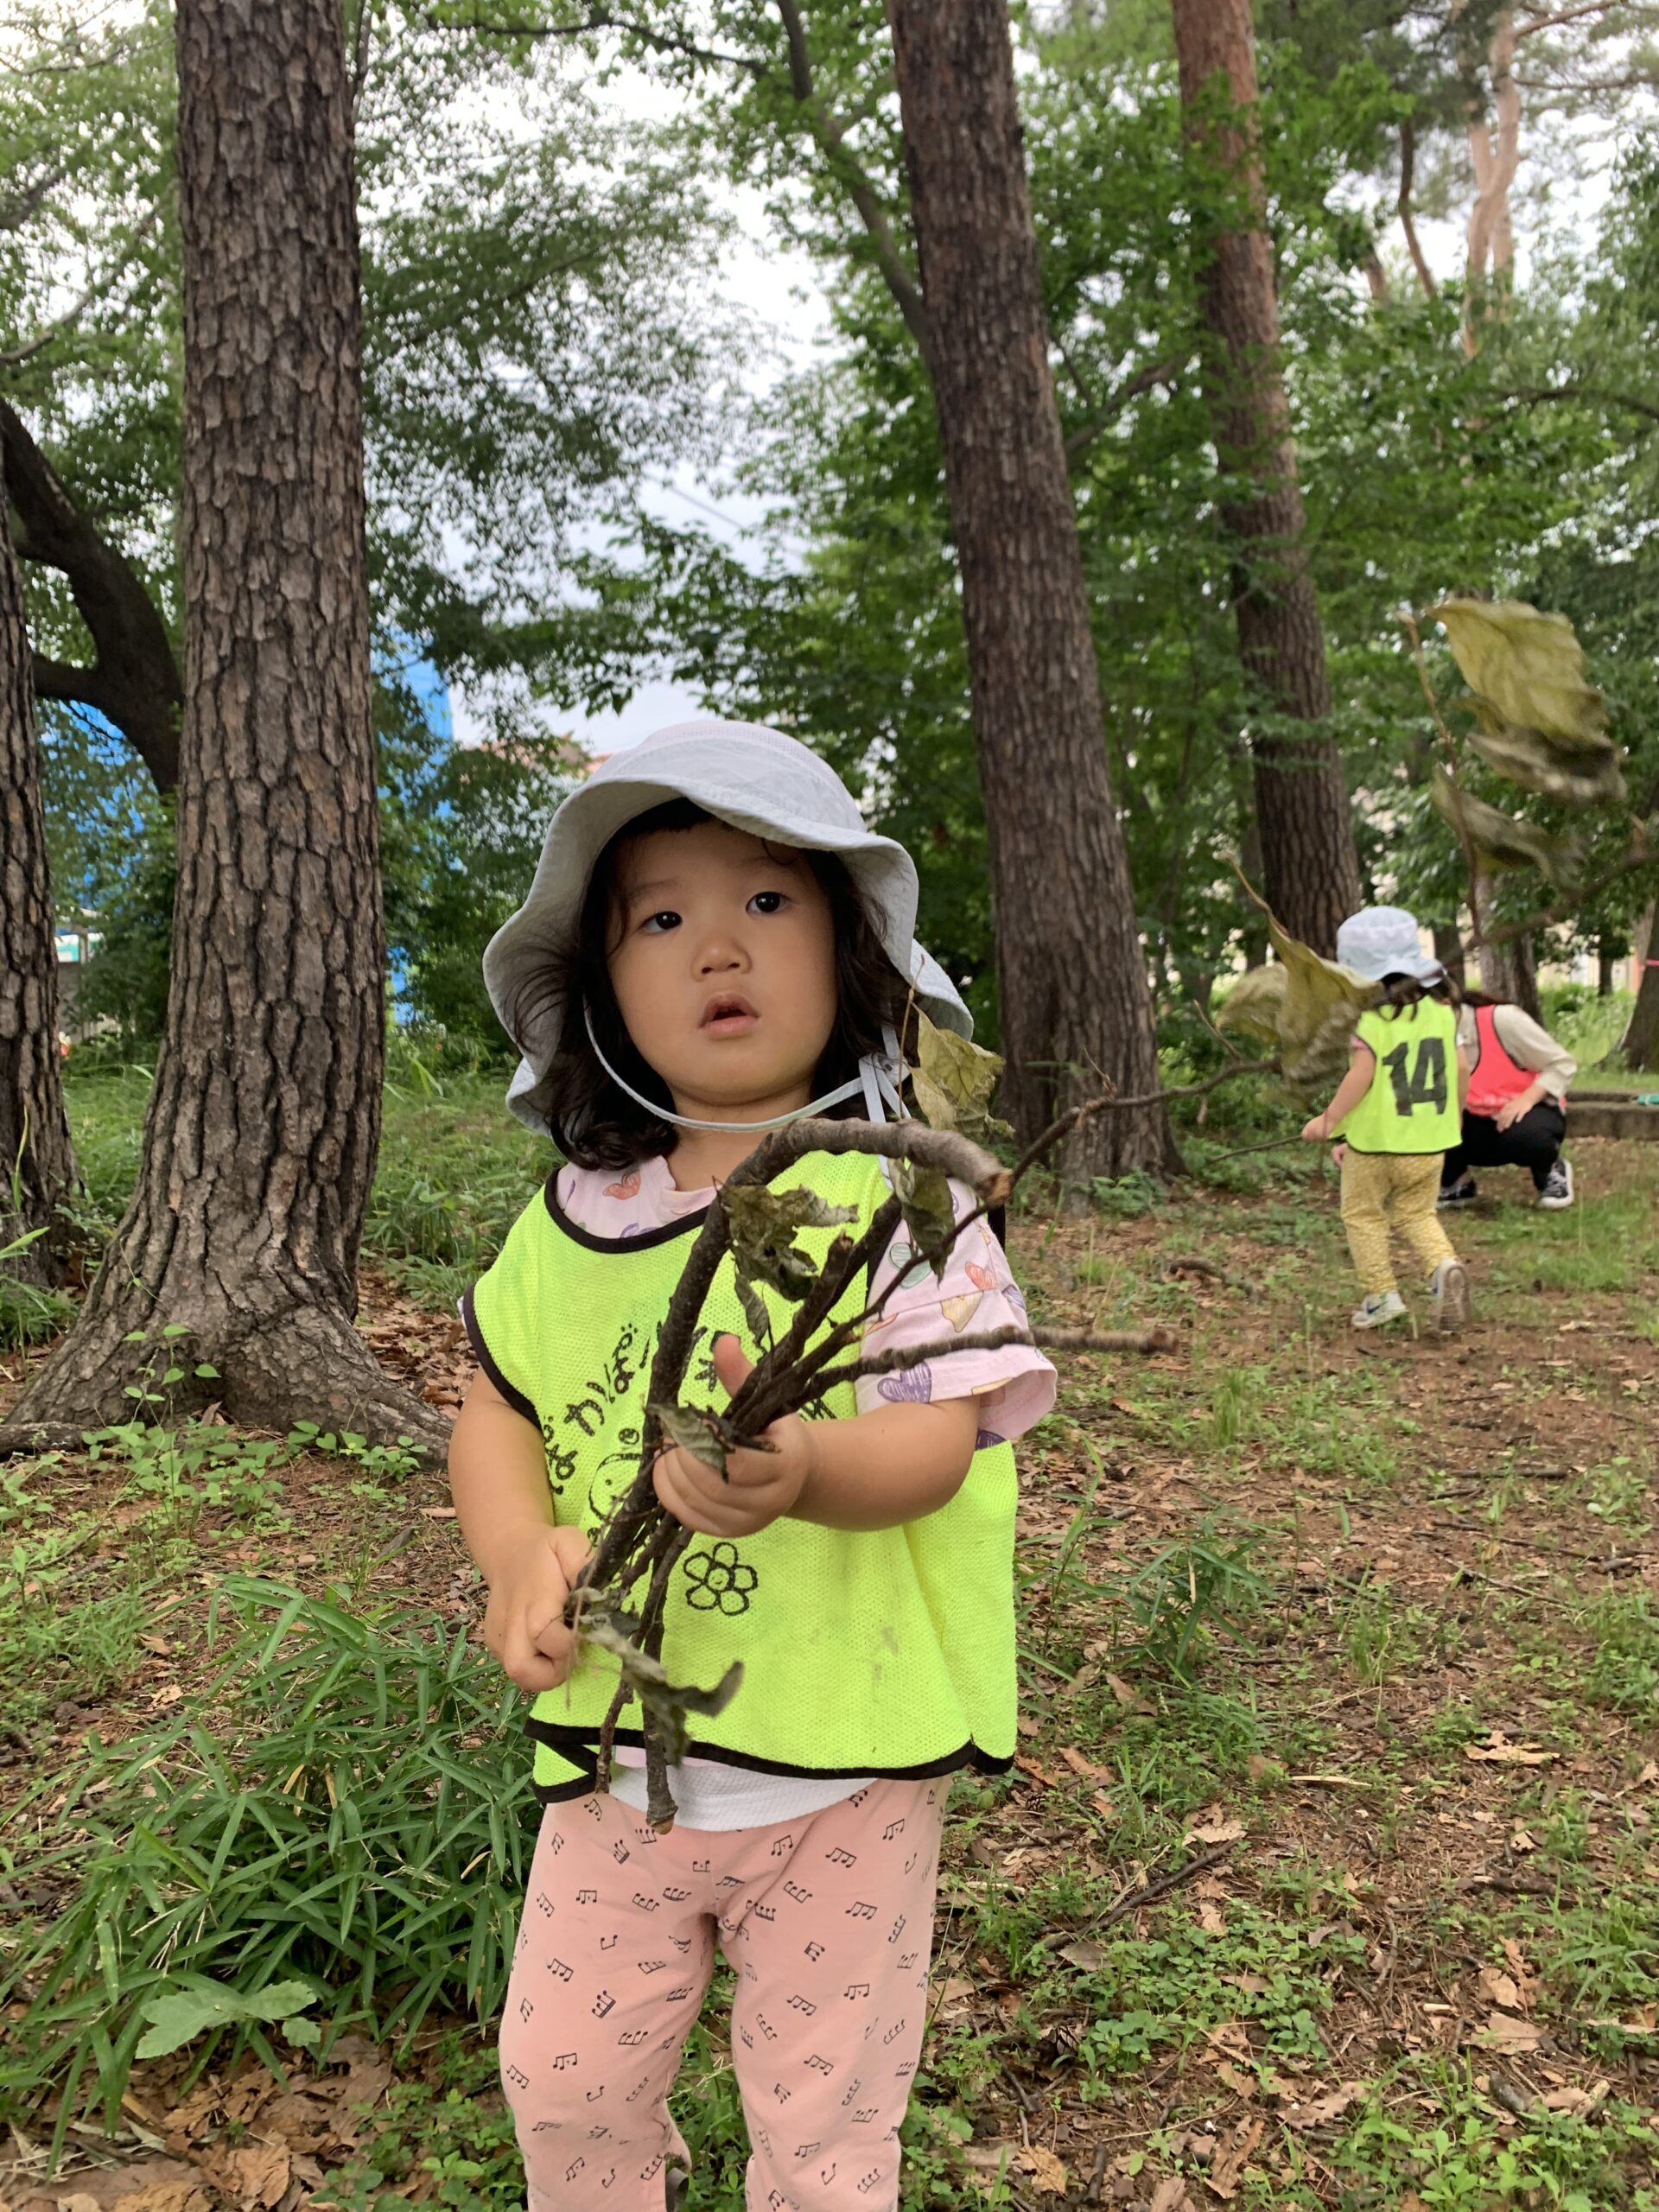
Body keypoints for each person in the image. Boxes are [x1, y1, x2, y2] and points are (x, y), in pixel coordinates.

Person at [447, 720, 1055, 2212]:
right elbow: (495, 1405)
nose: (717, 946)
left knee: (824, 2118)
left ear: (851, 951)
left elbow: (941, 1436)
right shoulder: (575, 1217)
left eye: (768, 901)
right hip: (614, 1761)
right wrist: (515, 1549)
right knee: (566, 2078)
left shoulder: (903, 1199)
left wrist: (807, 1471)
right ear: (602, 996)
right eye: (660, 919)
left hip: (845, 1777)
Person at [1300, 906, 1472, 1332]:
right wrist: (1454, 1118)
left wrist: (1329, 1120)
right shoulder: (1442, 1012)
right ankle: (1443, 1267)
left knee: (1363, 1215)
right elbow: (1461, 1067)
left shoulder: (1369, 1019)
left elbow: (1364, 1075)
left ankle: (1381, 1297)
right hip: (1429, 1142)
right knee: (1417, 1214)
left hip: (1375, 1145)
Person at [1438, 990, 1576, 1211]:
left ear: (1445, 1003)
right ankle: (1455, 1181)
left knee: (1529, 1137)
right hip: (1469, 1118)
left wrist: (1526, 1100)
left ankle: (1550, 1170)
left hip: (1525, 1112)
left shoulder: (1502, 1020)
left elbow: (1562, 1064)